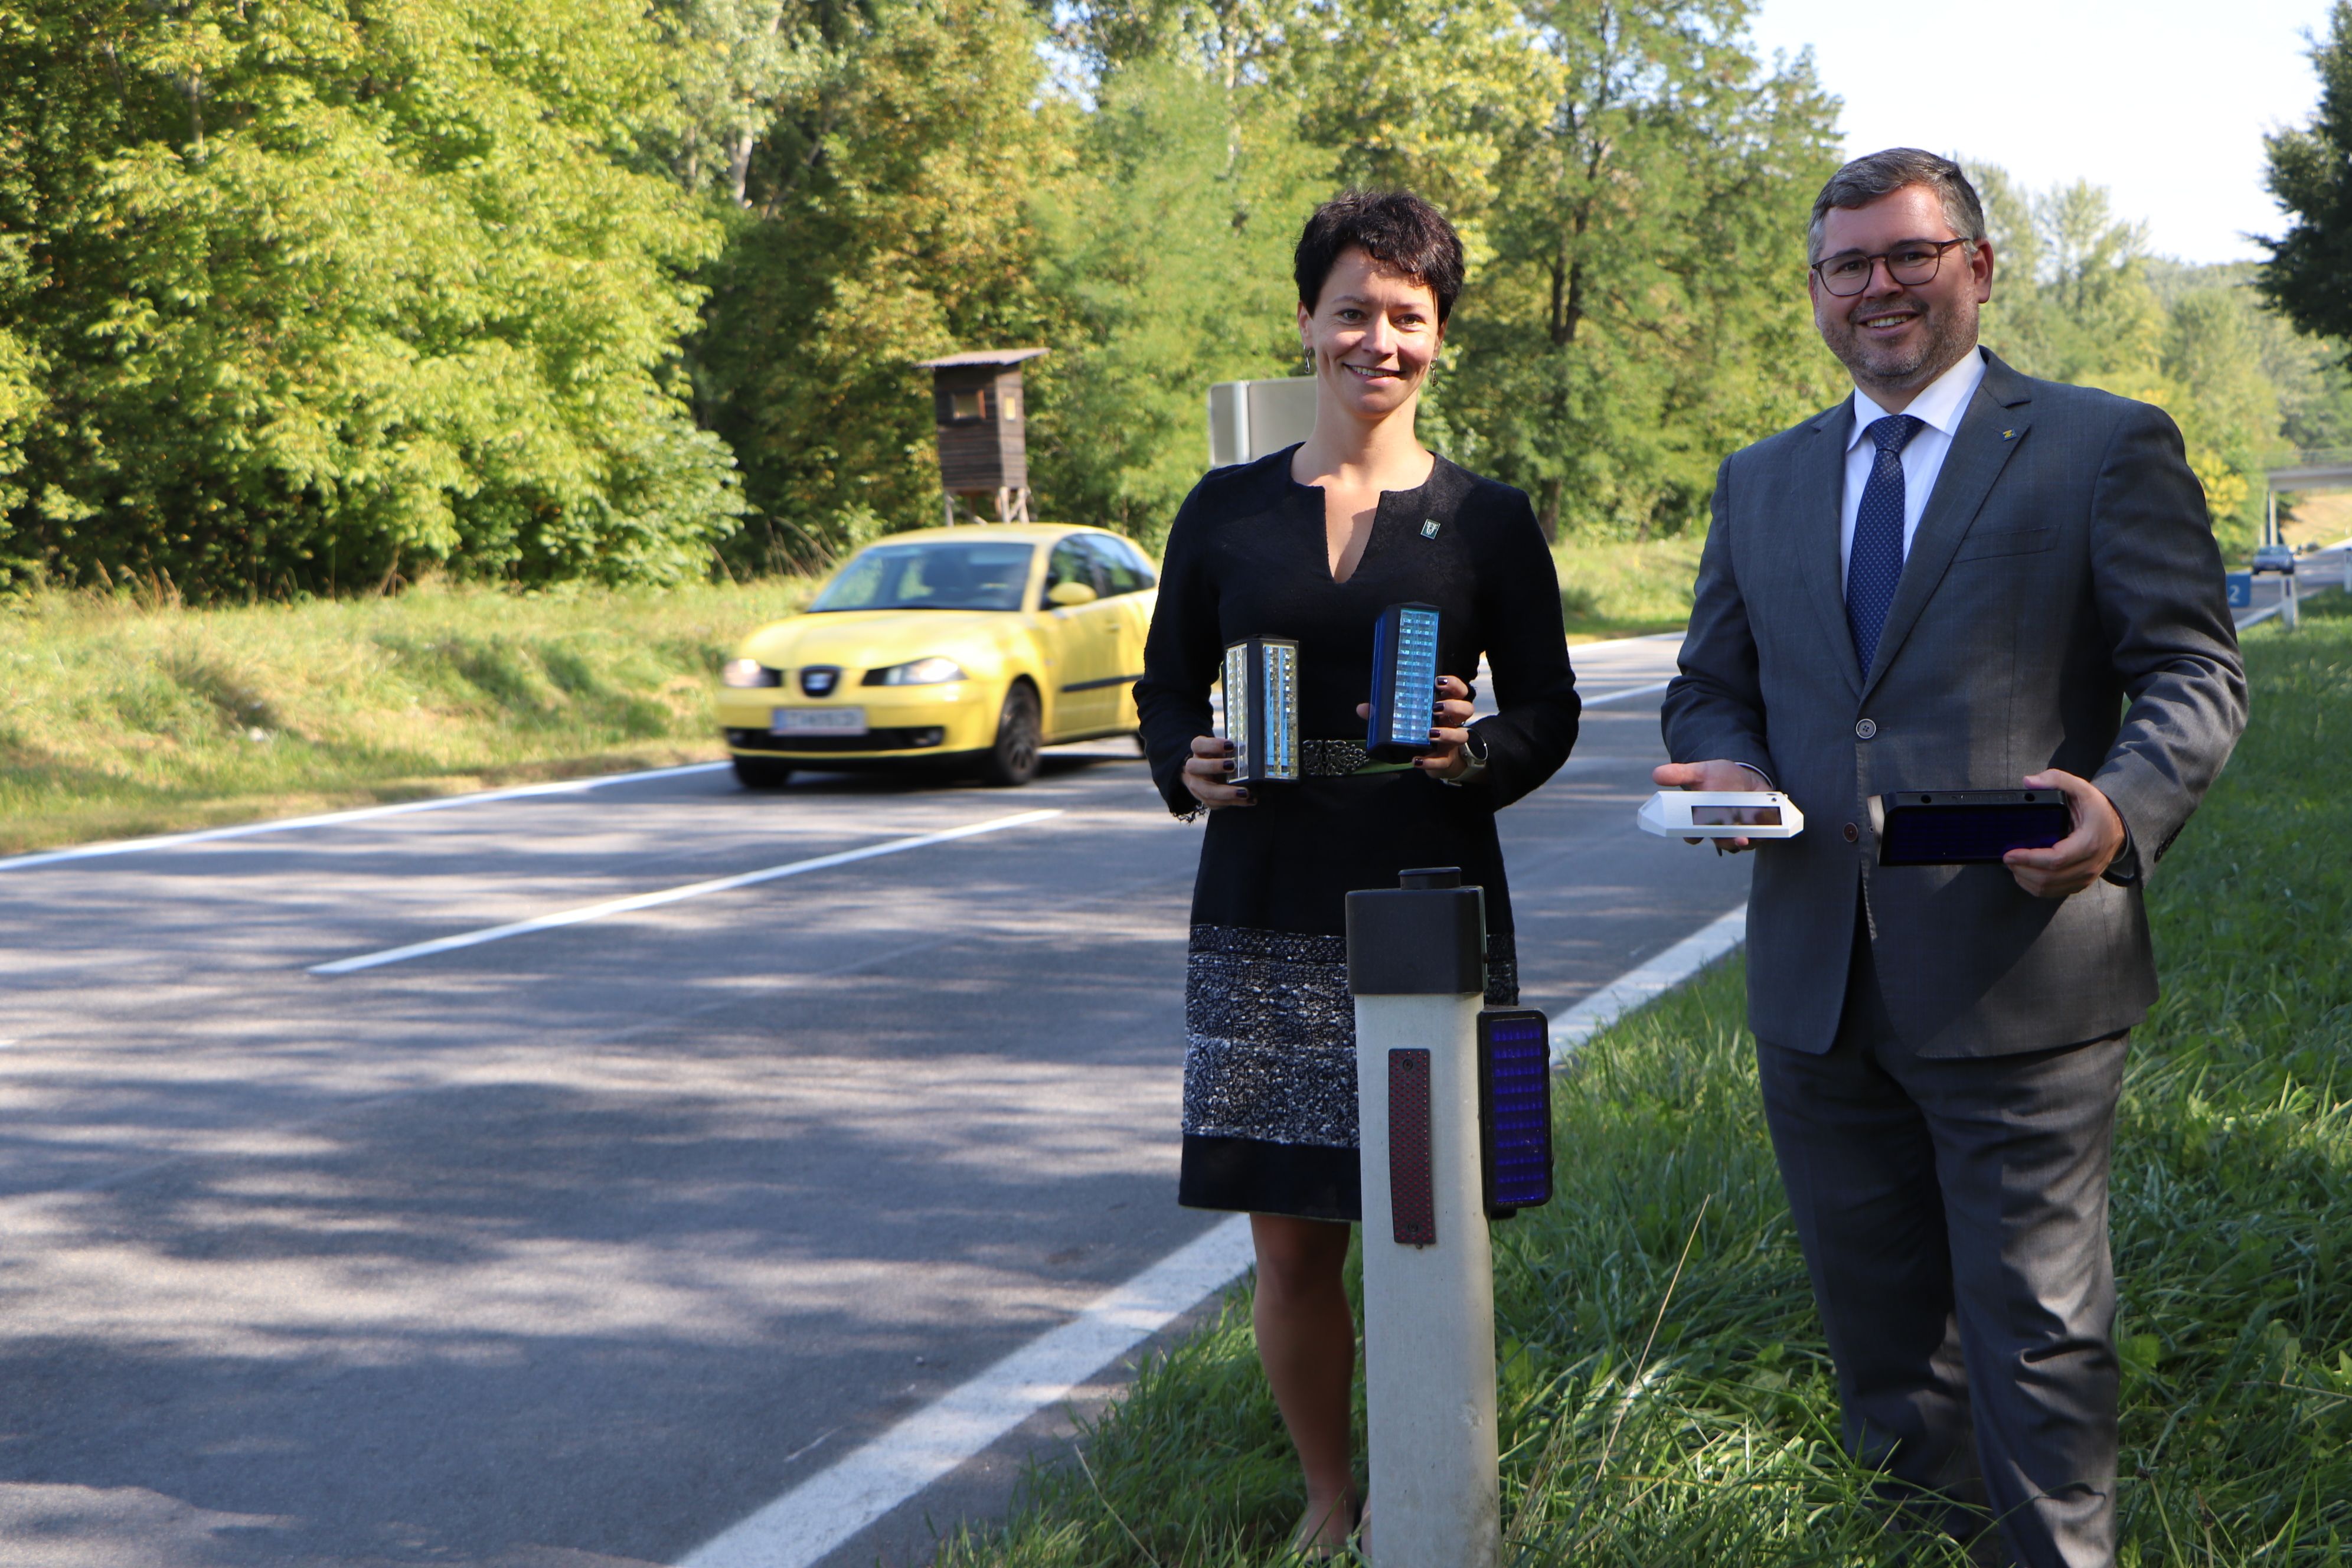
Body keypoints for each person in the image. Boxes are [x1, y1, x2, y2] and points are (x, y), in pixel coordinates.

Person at [1658, 149, 2246, 1566]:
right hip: (1817, 988)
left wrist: (2119, 810)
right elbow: (1707, 684)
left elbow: (2193, 672)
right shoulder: (1761, 481)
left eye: (1910, 255)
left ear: (1978, 266)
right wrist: (1723, 759)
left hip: (2021, 978)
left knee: (2039, 1338)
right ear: (1814, 292)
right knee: (1884, 1357)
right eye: (1848, 264)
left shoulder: (2105, 445)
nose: (1879, 287)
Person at [1133, 190, 1581, 1553]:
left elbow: (1550, 711)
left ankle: (1435, 1486)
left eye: (1408, 317)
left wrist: (1473, 751)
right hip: (1264, 892)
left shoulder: (1489, 519)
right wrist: (1186, 766)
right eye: (1354, 311)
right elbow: (1160, 692)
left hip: (1427, 898)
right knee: (1289, 1238)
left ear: (1439, 336)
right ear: (1308, 322)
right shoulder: (1222, 511)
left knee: (1429, 1219)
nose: (1377, 340)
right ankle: (1332, 1498)